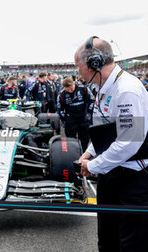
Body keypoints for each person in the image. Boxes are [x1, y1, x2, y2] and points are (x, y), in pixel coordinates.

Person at [77, 36, 148, 251]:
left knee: (131, 245)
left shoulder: (126, 89)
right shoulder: (102, 88)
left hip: (133, 181)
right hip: (111, 174)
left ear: (93, 63)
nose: (77, 71)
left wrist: (94, 166)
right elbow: (103, 131)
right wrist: (89, 154)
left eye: (77, 65)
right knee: (107, 240)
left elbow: (129, 141)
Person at [57, 77, 94, 152]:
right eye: (68, 89)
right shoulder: (61, 94)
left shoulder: (83, 89)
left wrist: (89, 113)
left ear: (74, 84)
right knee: (70, 140)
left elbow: (92, 100)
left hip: (83, 118)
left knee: (85, 139)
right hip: (71, 119)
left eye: (71, 88)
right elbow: (59, 108)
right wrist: (64, 119)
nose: (70, 91)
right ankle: (73, 155)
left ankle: (84, 154)